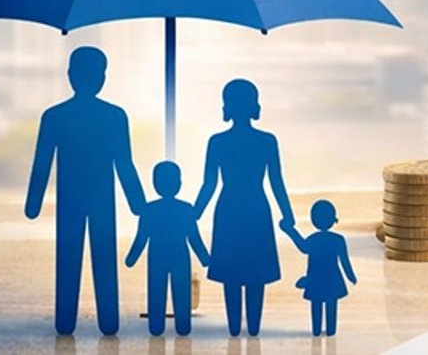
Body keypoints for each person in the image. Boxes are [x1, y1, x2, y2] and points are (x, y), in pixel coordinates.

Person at [24, 45, 146, 336]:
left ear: (70, 75)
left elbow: (42, 163)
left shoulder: (55, 116)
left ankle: (65, 322)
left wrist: (33, 203)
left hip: (70, 200)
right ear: (102, 77)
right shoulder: (114, 116)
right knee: (105, 258)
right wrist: (138, 203)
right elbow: (124, 162)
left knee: (68, 258)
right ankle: (109, 322)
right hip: (101, 199)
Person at [193, 78, 295, 337]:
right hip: (256, 207)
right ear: (254, 105)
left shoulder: (217, 142)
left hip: (229, 208)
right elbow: (276, 182)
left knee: (231, 273)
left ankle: (234, 328)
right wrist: (287, 214)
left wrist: (195, 213)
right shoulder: (266, 141)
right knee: (255, 273)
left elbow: (209, 184)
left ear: (226, 106)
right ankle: (254, 328)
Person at [125, 160, 210, 337]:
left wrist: (131, 258)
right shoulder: (185, 210)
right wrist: (205, 258)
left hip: (157, 257)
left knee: (156, 290)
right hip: (180, 256)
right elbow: (194, 238)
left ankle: (156, 326)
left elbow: (141, 238)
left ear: (155, 184)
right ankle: (183, 325)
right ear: (179, 183)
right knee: (181, 292)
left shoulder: (149, 211)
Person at [282, 198, 358, 337]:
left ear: (314, 219)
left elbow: (302, 247)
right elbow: (344, 261)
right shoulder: (338, 239)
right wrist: (351, 276)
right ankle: (330, 330)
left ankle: (316, 330)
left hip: (315, 279)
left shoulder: (313, 239)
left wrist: (290, 230)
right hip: (332, 279)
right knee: (331, 305)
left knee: (316, 305)